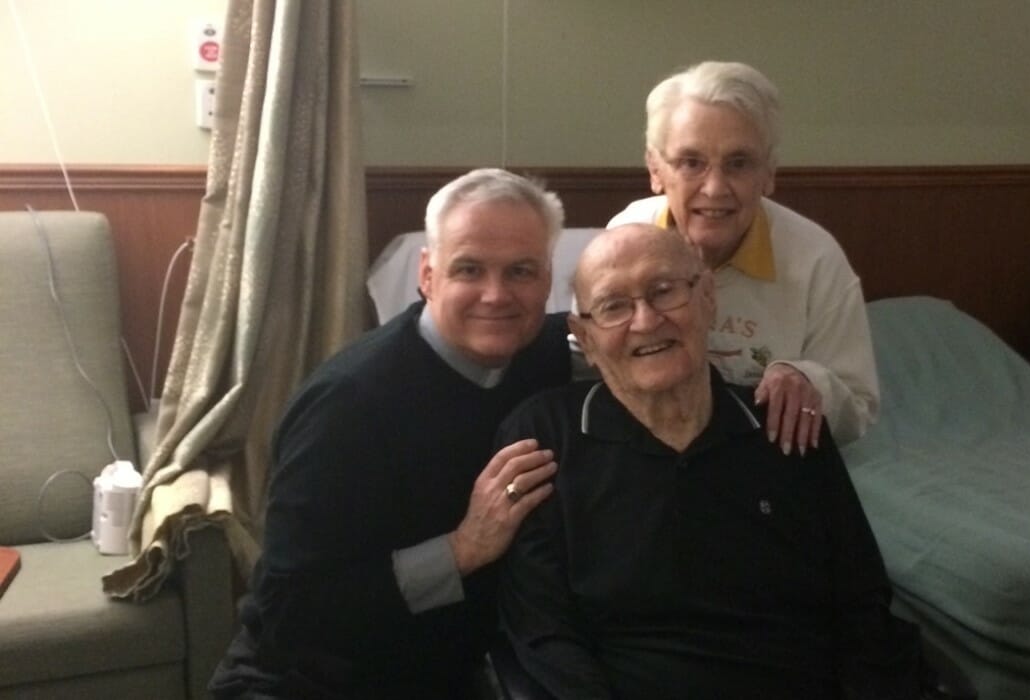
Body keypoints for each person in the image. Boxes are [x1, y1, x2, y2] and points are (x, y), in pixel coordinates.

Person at [496, 224, 920, 699]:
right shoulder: (544, 438)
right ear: (585, 338)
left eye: (664, 291)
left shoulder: (787, 425)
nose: (646, 320)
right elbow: (542, 632)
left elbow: (862, 607)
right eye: (615, 306)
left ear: (708, 298)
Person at [209, 169, 573, 698]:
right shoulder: (347, 405)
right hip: (307, 678)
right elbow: (290, 610)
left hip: (449, 670)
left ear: (547, 278)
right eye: (469, 269)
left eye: (520, 271)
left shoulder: (545, 356)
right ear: (428, 274)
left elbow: (632, 337)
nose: (496, 295)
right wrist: (462, 548)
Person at [608, 60, 880, 449]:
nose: (715, 188)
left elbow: (860, 407)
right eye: (691, 163)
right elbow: (591, 369)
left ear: (768, 172)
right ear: (655, 169)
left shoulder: (816, 260)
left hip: (770, 458)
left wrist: (811, 383)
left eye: (738, 163)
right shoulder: (623, 242)